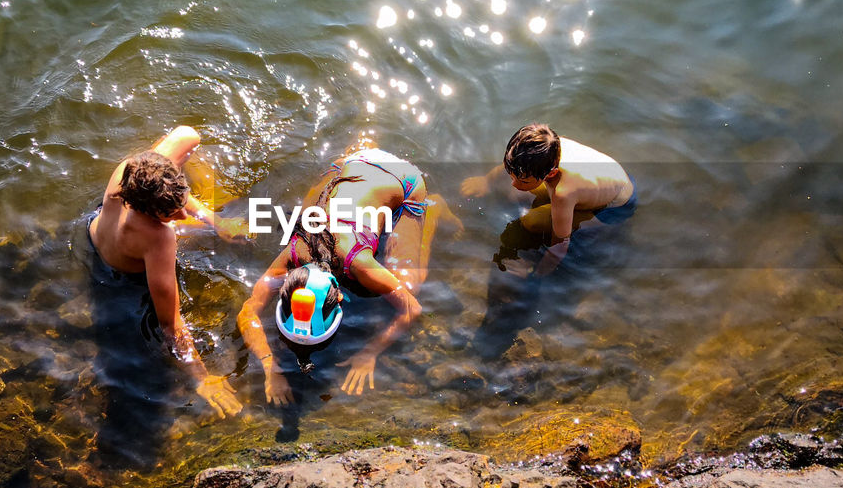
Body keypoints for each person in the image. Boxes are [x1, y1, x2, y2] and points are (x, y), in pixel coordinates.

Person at [237, 139, 439, 404]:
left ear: (340, 296)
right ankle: (363, 148)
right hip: (349, 166)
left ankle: (435, 209)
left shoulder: (357, 263)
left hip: (401, 177)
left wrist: (370, 352)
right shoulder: (294, 252)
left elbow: (412, 308)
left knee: (408, 285)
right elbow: (248, 310)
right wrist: (269, 368)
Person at [88, 125, 244, 418]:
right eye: (171, 214)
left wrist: (211, 219)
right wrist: (202, 378)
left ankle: (214, 219)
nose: (182, 215)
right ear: (149, 213)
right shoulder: (158, 239)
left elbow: (187, 134)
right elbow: (170, 324)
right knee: (242, 229)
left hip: (97, 229)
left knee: (190, 140)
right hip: (122, 275)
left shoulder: (130, 172)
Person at [461, 123, 635, 275]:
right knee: (516, 194)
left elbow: (560, 244)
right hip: (604, 180)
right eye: (512, 175)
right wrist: (487, 181)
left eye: (522, 180)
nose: (514, 183)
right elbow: (514, 162)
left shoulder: (563, 193)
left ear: (550, 173)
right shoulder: (547, 148)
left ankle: (606, 231)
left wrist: (536, 272)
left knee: (532, 221)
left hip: (615, 207)